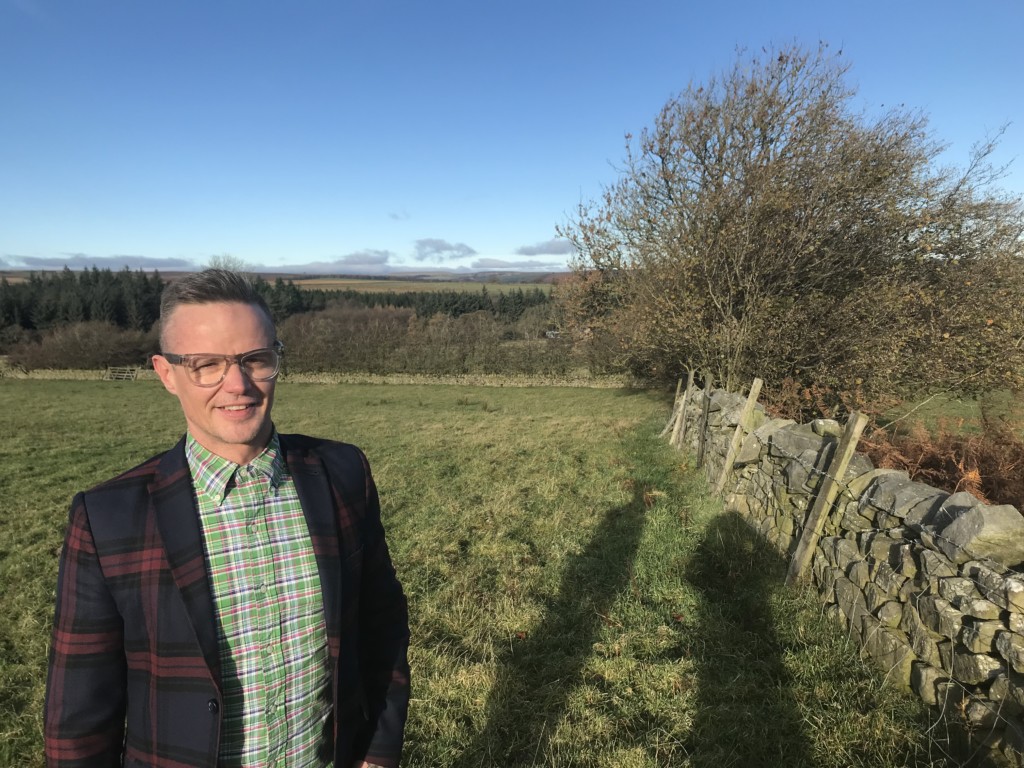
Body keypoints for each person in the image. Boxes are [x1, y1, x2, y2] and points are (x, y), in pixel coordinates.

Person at [45, 269, 410, 768]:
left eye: (255, 360)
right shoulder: (108, 519)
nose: (236, 384)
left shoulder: (343, 473)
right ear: (166, 373)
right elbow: (79, 722)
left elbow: (380, 623)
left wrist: (379, 753)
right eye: (206, 365)